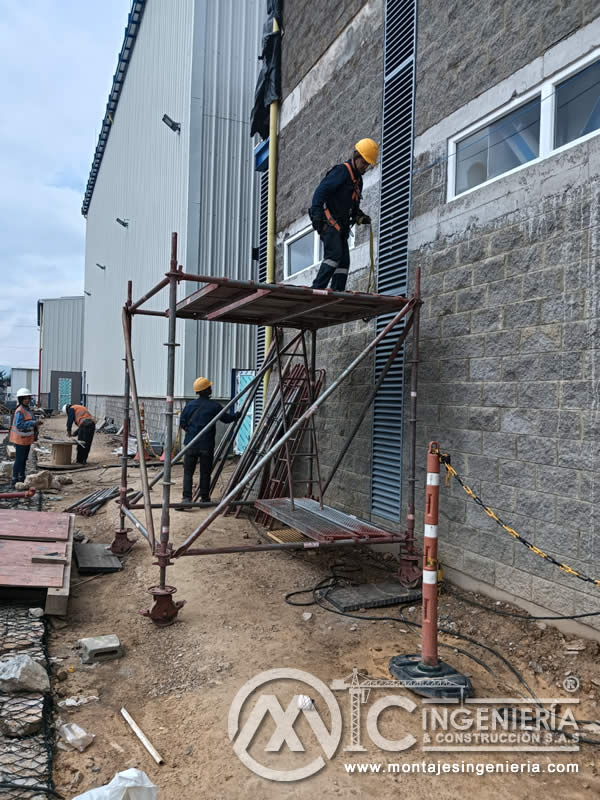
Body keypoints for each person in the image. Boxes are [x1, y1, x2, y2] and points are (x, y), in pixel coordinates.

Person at [309, 137, 378, 292]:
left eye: (368, 164)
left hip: (341, 227)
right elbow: (320, 192)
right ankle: (317, 289)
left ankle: (338, 291)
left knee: (344, 262)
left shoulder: (358, 181)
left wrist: (360, 216)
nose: (365, 167)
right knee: (334, 256)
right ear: (356, 156)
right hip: (329, 222)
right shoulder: (341, 172)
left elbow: (352, 206)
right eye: (364, 162)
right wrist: (317, 215)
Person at [179, 377, 241, 507]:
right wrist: (237, 415)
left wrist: (192, 433)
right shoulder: (214, 406)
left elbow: (182, 423)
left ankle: (186, 498)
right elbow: (227, 419)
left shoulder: (189, 406)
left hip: (190, 444)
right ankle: (204, 498)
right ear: (206, 390)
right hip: (206, 445)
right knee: (205, 472)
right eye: (209, 387)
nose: (211, 388)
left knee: (188, 472)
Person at [9, 388, 41, 486]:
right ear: (21, 400)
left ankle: (21, 478)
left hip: (26, 440)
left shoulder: (27, 409)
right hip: (20, 440)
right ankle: (14, 479)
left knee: (24, 459)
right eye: (25, 399)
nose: (27, 400)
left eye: (28, 398)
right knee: (19, 460)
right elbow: (19, 425)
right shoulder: (20, 411)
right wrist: (34, 422)